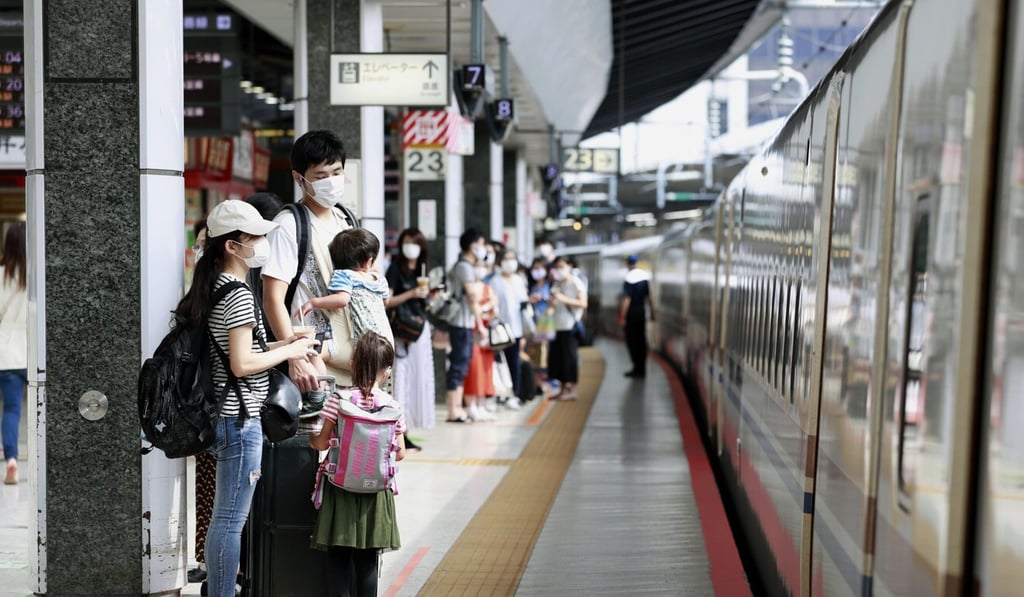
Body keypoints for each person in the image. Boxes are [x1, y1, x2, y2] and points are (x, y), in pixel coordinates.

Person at [176, 200, 318, 597]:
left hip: (226, 415)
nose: (262, 242)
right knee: (229, 519)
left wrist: (286, 341)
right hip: (240, 419)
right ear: (232, 246)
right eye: (254, 236)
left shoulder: (216, 285)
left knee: (226, 517)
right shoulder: (237, 293)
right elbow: (241, 363)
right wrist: (288, 353)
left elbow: (238, 348)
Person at [309, 331, 405, 597]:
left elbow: (320, 443)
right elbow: (400, 454)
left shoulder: (338, 401)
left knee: (338, 559)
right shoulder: (392, 406)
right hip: (376, 493)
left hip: (340, 488)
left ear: (354, 364)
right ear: (386, 371)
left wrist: (311, 437)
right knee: (367, 563)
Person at [263, 129, 355, 390]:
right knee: (317, 430)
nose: (331, 181)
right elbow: (273, 299)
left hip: (352, 359)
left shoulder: (347, 221)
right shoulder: (288, 225)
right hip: (312, 365)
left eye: (336, 173)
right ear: (299, 178)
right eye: (321, 176)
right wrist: (295, 357)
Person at [300, 227, 393, 352]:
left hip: (364, 342)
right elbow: (386, 302)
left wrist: (314, 302)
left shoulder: (344, 275)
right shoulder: (379, 279)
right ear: (369, 262)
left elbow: (342, 299)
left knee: (314, 354)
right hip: (385, 338)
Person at [385, 228, 434, 451]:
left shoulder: (424, 270)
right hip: (401, 331)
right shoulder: (395, 268)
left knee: (417, 379)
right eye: (406, 242)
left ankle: (409, 430)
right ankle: (400, 432)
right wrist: (412, 294)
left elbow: (424, 305)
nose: (410, 247)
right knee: (401, 379)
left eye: (414, 243)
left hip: (419, 331)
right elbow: (388, 301)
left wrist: (429, 297)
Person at [444, 229, 487, 423]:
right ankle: (454, 410)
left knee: (462, 364)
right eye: (481, 244)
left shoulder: (468, 266)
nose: (483, 249)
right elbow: (473, 295)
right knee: (459, 364)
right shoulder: (464, 266)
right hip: (460, 322)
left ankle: (458, 408)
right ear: (473, 246)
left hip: (465, 322)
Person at [0, 222, 26, 485]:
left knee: (12, 410)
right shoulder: (38, 276)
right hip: (36, 352)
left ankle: (12, 461)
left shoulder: (1, 276)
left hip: (7, 352)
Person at [488, 248, 529, 409]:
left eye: (512, 258)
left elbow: (523, 305)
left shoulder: (519, 280)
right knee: (497, 362)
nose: (510, 262)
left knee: (514, 362)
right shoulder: (495, 281)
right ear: (500, 262)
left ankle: (515, 394)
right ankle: (498, 394)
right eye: (506, 258)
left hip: (516, 329)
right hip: (499, 330)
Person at [547, 256, 587, 401]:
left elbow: (583, 303)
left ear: (570, 266)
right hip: (556, 326)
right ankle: (562, 389)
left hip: (570, 327)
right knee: (558, 359)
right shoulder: (557, 283)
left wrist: (564, 299)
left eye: (562, 266)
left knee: (570, 359)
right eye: (557, 267)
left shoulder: (576, 283)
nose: (559, 270)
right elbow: (553, 302)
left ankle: (573, 390)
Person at [462, 258, 498, 422]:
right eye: (477, 266)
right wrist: (485, 308)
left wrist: (485, 311)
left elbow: (494, 312)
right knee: (473, 370)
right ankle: (471, 406)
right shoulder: (469, 288)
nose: (480, 269)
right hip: (472, 333)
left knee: (485, 370)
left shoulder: (487, 289)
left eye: (483, 266)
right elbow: (474, 309)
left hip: (485, 336)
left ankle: (481, 404)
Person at [617, 254, 655, 378]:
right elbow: (649, 297)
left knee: (632, 341)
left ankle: (636, 367)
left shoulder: (629, 278)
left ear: (627, 264)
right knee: (641, 340)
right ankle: (642, 368)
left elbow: (627, 298)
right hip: (641, 311)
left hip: (632, 313)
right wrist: (652, 312)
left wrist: (623, 316)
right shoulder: (644, 277)